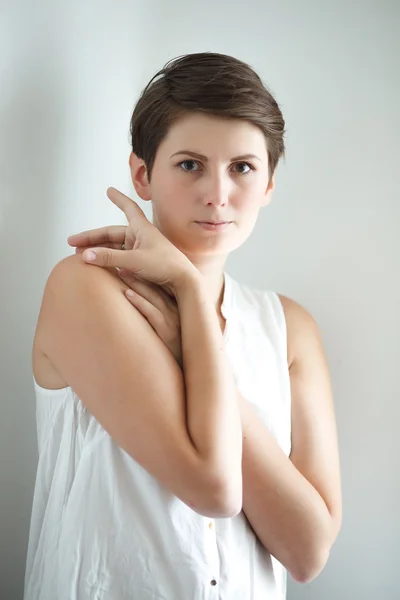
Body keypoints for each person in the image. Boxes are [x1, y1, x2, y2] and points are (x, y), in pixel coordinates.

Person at [24, 52, 342, 600]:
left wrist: (191, 336)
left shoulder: (291, 330)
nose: (218, 193)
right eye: (190, 164)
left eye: (242, 167)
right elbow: (214, 488)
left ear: (268, 183)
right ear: (143, 174)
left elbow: (309, 551)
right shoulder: (86, 287)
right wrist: (193, 296)